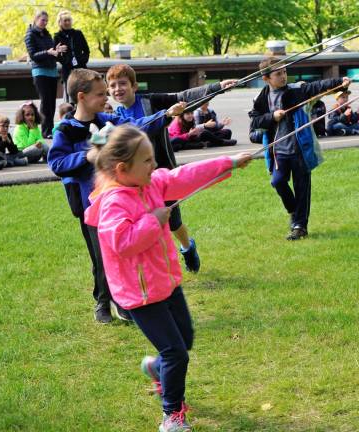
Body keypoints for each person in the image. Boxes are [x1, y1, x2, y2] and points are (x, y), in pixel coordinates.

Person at [83, 125, 252, 432]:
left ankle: (156, 368)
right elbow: (122, 244)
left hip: (166, 284)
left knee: (183, 341)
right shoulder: (113, 203)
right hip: (140, 295)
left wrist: (229, 162)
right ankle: (171, 416)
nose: (155, 165)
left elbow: (184, 176)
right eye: (147, 160)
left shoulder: (151, 183)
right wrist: (152, 221)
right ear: (122, 169)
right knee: (176, 352)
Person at [48, 68, 183, 324]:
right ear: (81, 97)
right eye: (100, 94)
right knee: (101, 257)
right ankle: (102, 302)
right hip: (91, 205)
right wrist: (86, 156)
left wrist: (165, 115)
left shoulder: (107, 122)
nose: (106, 97)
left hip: (118, 200)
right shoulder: (66, 129)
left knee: (123, 254)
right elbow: (56, 163)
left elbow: (136, 127)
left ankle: (124, 302)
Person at [106, 63, 237, 273]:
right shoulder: (114, 115)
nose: (117, 89)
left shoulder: (151, 101)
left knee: (174, 223)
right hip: (135, 180)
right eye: (112, 85)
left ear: (134, 86)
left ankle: (187, 247)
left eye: (122, 83)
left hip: (163, 174)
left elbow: (184, 96)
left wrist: (217, 87)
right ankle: (160, 268)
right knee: (146, 224)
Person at [249, 56, 350, 240]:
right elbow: (255, 120)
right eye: (278, 74)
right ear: (266, 78)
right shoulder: (261, 98)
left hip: (300, 149)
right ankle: (294, 210)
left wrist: (339, 82)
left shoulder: (296, 91)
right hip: (278, 151)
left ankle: (299, 226)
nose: (283, 77)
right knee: (277, 181)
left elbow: (316, 87)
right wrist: (273, 116)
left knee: (302, 187)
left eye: (285, 72)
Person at [25, 10, 66, 138]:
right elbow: (33, 56)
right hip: (40, 72)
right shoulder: (30, 35)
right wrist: (48, 52)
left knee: (52, 103)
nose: (45, 23)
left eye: (47, 21)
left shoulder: (47, 34)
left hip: (52, 72)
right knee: (45, 102)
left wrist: (57, 51)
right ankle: (45, 131)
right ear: (36, 19)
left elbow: (51, 52)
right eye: (43, 20)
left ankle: (50, 129)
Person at [53, 10, 90, 103]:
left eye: (69, 20)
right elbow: (55, 55)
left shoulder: (78, 33)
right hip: (67, 70)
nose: (67, 22)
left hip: (81, 69)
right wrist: (64, 60)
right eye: (65, 20)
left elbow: (86, 50)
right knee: (70, 96)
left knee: (83, 92)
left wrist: (83, 60)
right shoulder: (57, 36)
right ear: (60, 22)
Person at [168, 111, 236, 151]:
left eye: (191, 113)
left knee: (227, 132)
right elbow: (176, 138)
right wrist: (189, 134)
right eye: (188, 114)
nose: (191, 115)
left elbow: (212, 128)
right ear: (182, 116)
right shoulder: (177, 123)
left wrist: (222, 124)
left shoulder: (210, 111)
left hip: (195, 136)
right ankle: (221, 142)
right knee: (204, 134)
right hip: (185, 139)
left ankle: (211, 143)